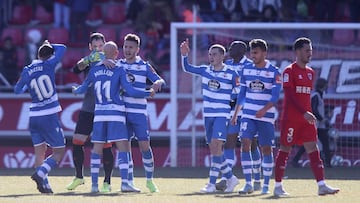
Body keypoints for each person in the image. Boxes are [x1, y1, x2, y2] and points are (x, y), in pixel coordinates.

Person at [72, 41, 155, 193]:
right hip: (116, 113)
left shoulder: (94, 70)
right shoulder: (119, 69)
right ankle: (125, 183)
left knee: (97, 148)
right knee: (123, 147)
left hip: (99, 114)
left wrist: (75, 90)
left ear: (103, 54)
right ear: (117, 53)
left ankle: (94, 186)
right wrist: (147, 92)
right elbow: (130, 90)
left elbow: (81, 89)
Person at [273, 37, 340, 197]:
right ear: (297, 52)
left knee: (314, 149)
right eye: (307, 50)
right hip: (291, 119)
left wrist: (307, 114)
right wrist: (304, 112)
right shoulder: (289, 71)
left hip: (306, 120)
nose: (310, 53)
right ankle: (277, 186)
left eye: (311, 50)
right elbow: (289, 96)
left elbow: (304, 97)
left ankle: (321, 185)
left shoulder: (310, 73)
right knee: (285, 150)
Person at [180, 38, 240, 193]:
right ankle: (230, 178)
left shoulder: (231, 73)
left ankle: (212, 184)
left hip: (222, 115)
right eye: (209, 54)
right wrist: (184, 55)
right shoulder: (205, 70)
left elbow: (240, 94)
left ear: (222, 56)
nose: (211, 57)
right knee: (215, 149)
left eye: (214, 54)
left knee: (216, 145)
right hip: (208, 115)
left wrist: (234, 111)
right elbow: (187, 68)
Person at [14, 40, 67, 193]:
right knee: (59, 151)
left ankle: (45, 186)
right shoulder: (49, 64)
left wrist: (27, 85)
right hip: (49, 115)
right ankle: (40, 174)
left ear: (38, 54)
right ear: (50, 55)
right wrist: (49, 44)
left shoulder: (27, 70)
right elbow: (62, 48)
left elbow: (17, 90)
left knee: (40, 151)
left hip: (34, 116)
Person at [231, 39, 281, 195]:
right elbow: (242, 94)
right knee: (245, 144)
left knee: (266, 148)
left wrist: (264, 110)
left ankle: (265, 185)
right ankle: (248, 183)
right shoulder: (246, 70)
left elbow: (275, 97)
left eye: (256, 52)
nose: (253, 55)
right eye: (252, 52)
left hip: (266, 117)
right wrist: (236, 114)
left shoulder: (274, 71)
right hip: (248, 115)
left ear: (264, 53)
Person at [67, 32, 115, 193]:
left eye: (101, 46)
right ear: (90, 47)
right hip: (88, 107)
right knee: (77, 140)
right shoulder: (89, 62)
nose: (98, 49)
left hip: (105, 108)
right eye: (95, 47)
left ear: (105, 45)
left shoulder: (112, 61)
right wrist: (87, 59)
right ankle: (79, 177)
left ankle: (107, 182)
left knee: (106, 144)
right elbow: (75, 69)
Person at [118, 33, 165, 193]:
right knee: (124, 146)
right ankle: (126, 182)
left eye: (131, 47)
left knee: (144, 146)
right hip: (122, 112)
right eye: (125, 46)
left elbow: (159, 80)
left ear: (138, 49)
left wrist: (156, 85)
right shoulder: (118, 65)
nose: (127, 50)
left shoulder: (144, 66)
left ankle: (149, 180)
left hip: (139, 113)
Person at [215, 41, 262, 192]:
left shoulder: (250, 65)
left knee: (251, 144)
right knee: (229, 143)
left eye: (233, 47)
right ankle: (226, 178)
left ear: (242, 50)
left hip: (248, 110)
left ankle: (257, 177)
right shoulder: (226, 64)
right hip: (231, 111)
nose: (229, 49)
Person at [291, 78, 333, 168]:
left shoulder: (320, 95)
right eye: (326, 84)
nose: (327, 86)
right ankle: (295, 160)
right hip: (314, 123)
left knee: (324, 142)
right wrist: (321, 118)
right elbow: (313, 109)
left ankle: (328, 163)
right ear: (324, 85)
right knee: (311, 143)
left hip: (319, 124)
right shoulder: (316, 96)